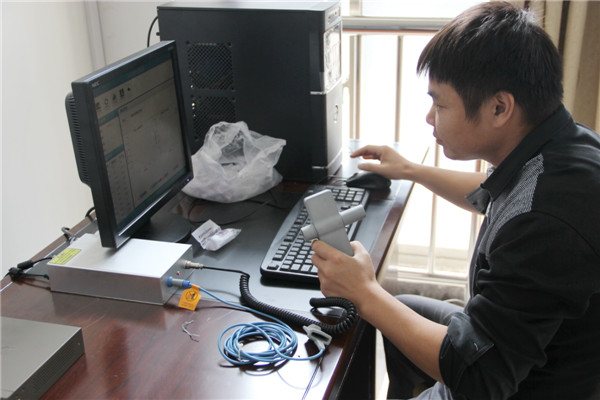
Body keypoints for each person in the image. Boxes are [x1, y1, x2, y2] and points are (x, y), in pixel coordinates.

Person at [310, 2, 600, 399]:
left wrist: (363, 292)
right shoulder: (558, 148)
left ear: (499, 107)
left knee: (378, 308)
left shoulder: (547, 219)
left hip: (515, 384)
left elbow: (481, 378)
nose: (430, 117)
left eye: (441, 104)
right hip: (519, 351)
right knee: (402, 308)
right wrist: (410, 170)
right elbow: (492, 191)